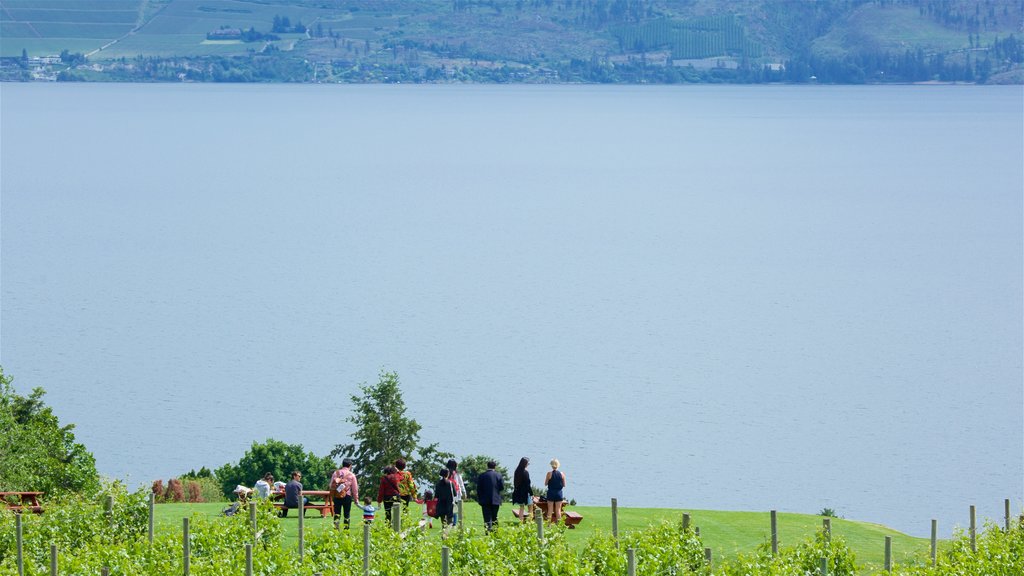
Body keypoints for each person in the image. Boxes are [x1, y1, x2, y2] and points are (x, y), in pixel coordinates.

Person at [329, 458, 359, 529]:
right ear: (350, 466)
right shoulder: (352, 475)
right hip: (347, 496)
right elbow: (355, 489)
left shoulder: (336, 473)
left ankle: (336, 530)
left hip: (337, 495)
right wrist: (356, 499)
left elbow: (330, 485)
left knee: (336, 514)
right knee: (347, 515)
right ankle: (346, 531)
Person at [476, 460, 504, 531]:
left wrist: (480, 499)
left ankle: (487, 530)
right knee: (495, 516)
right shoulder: (498, 475)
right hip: (496, 499)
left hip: (485, 500)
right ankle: (495, 531)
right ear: (495, 466)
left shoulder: (482, 475)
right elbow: (501, 487)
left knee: (486, 517)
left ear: (487, 466)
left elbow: (479, 489)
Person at [544, 459, 567, 525]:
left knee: (550, 509)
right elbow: (564, 485)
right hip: (559, 493)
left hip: (551, 492)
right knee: (558, 509)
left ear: (551, 465)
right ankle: (559, 524)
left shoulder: (549, 473)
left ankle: (548, 524)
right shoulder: (562, 474)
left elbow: (545, 483)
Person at [512, 457, 534, 523]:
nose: (528, 465)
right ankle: (530, 522)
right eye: (528, 463)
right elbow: (528, 484)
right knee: (530, 508)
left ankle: (521, 522)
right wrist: (531, 493)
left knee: (521, 508)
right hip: (525, 493)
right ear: (525, 464)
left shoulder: (516, 471)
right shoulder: (525, 472)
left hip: (518, 492)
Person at [445, 459, 466, 525]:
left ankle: (448, 521)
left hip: (447, 493)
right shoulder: (457, 474)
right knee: (455, 508)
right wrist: (464, 492)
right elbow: (461, 484)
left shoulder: (446, 473)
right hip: (457, 493)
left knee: (448, 507)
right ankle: (454, 522)